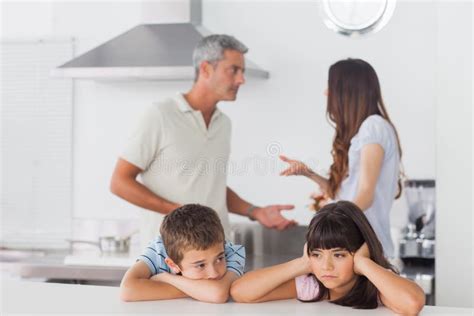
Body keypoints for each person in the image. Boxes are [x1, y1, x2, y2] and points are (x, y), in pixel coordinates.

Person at [110, 34, 295, 248]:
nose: (241, 80)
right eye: (233, 70)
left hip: (217, 251)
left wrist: (255, 211)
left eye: (242, 71)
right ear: (206, 69)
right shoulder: (161, 115)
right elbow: (119, 182)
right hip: (170, 253)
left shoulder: (223, 123)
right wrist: (180, 214)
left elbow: (211, 186)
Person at [279, 58, 402, 258]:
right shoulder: (363, 130)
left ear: (348, 91)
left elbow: (365, 195)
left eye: (331, 86)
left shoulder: (373, 126)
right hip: (357, 247)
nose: (326, 93)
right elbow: (344, 194)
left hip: (366, 248)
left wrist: (329, 222)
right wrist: (308, 173)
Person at [230, 201, 425, 314]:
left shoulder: (375, 286)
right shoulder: (312, 286)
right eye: (317, 254)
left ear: (360, 251)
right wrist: (302, 264)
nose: (326, 266)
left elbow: (412, 304)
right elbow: (240, 292)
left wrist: (364, 264)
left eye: (339, 255)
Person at [120, 204, 245, 303]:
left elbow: (217, 294)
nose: (214, 273)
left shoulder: (232, 252)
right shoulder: (159, 251)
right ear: (173, 264)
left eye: (219, 259)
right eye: (200, 265)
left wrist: (166, 278)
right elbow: (127, 290)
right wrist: (200, 291)